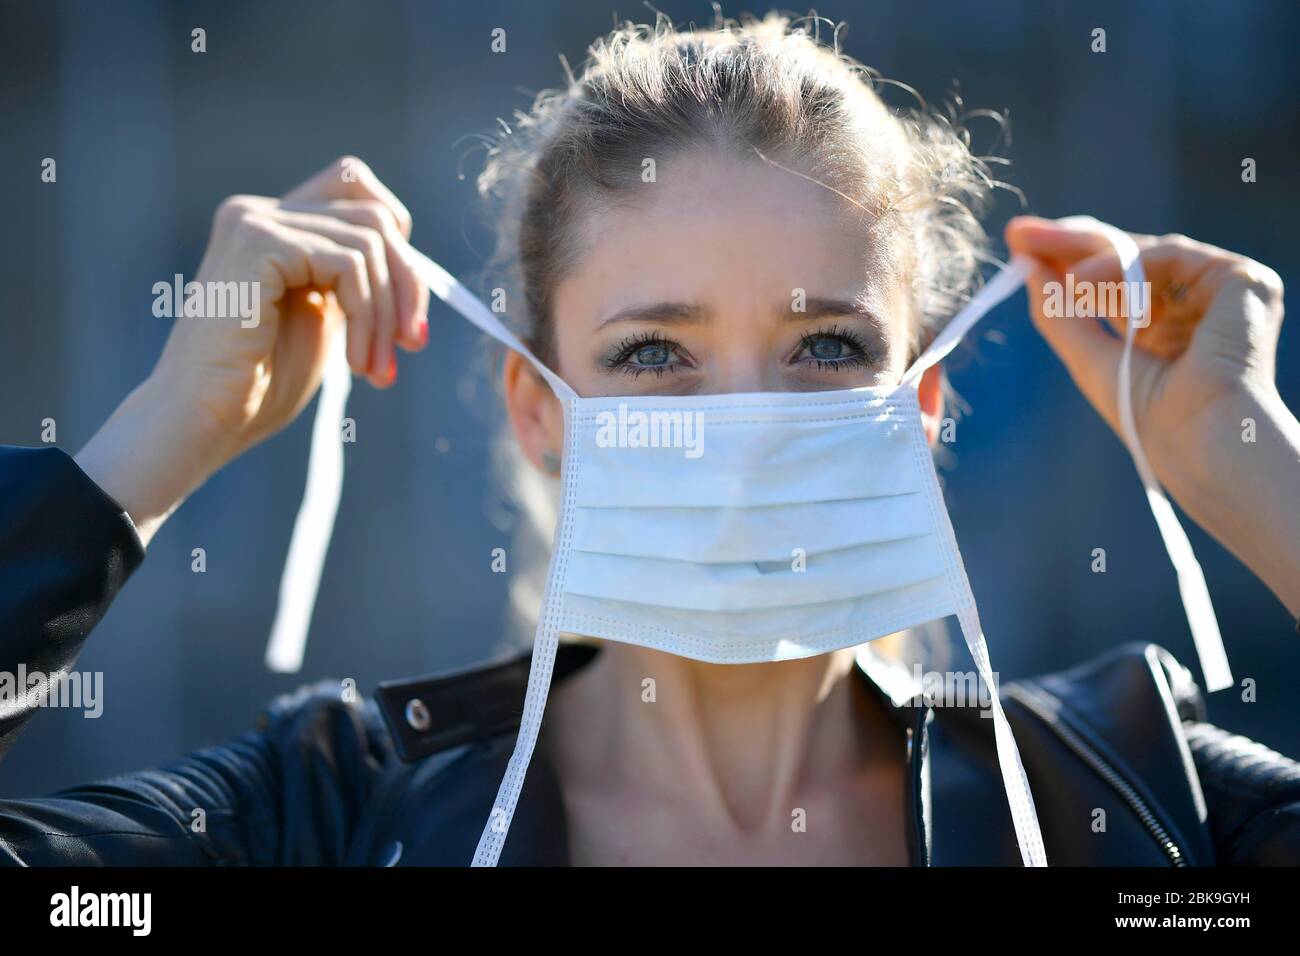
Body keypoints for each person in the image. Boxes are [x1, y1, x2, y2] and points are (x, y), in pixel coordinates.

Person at [2, 14, 1298, 866]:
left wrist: (1253, 465)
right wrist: (145, 456)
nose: (744, 429)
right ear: (538, 411)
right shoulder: (338, 815)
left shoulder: (1131, 802)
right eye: (656, 354)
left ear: (919, 409)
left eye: (827, 347)